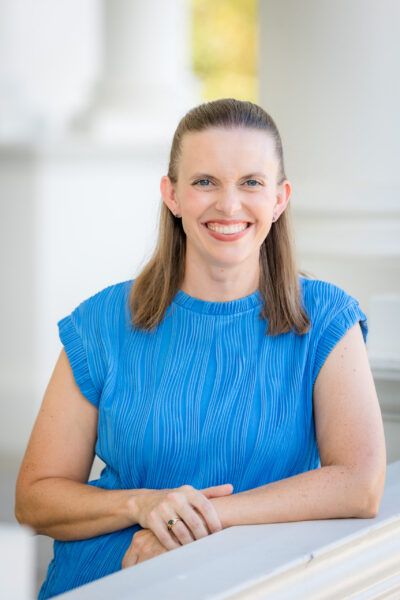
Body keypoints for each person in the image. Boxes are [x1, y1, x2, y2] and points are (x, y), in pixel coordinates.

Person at [15, 98, 387, 599]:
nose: (229, 205)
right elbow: (35, 500)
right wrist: (141, 505)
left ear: (280, 198)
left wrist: (187, 523)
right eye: (204, 181)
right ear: (172, 195)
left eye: (251, 182)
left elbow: (359, 484)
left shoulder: (324, 319)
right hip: (108, 577)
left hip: (248, 583)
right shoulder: (101, 322)